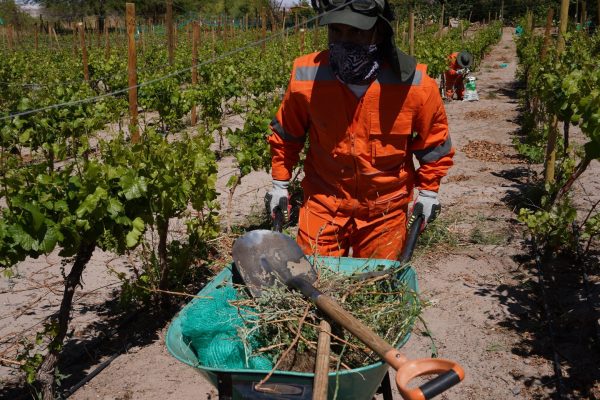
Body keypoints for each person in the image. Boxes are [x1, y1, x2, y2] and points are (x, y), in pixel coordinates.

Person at [265, 0, 454, 260]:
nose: (345, 40)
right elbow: (287, 135)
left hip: (384, 211)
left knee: (376, 286)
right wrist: (279, 183)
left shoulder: (414, 85)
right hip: (323, 203)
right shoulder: (307, 76)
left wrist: (429, 192)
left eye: (356, 32)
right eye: (336, 31)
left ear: (379, 31)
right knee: (313, 279)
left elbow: (434, 146)